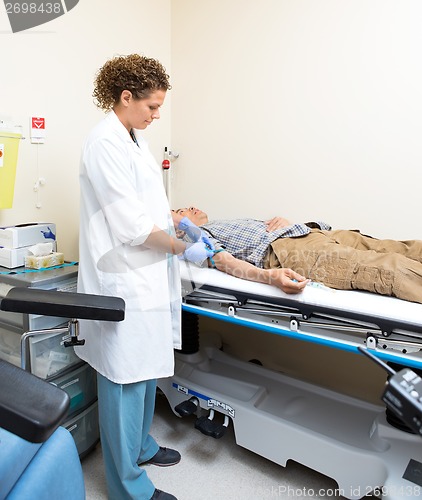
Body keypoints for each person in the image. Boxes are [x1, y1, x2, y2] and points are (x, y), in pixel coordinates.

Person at [75, 55, 213, 500]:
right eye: (152, 107)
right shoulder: (104, 144)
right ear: (126, 96)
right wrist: (183, 247)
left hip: (146, 275)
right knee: (123, 378)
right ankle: (127, 488)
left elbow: (146, 208)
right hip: (121, 279)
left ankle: (140, 446)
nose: (157, 116)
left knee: (144, 373)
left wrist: (176, 220)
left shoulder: (134, 138)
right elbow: (130, 226)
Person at [174, 206, 422, 304]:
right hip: (287, 252)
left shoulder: (220, 222)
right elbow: (223, 261)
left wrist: (289, 223)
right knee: (390, 267)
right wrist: (269, 276)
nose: (190, 208)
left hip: (311, 233)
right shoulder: (193, 236)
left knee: (404, 248)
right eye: (181, 210)